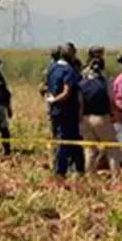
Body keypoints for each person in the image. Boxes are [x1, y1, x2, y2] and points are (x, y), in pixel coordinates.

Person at [78, 46, 122, 179]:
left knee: (89, 150)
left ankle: (90, 177)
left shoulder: (82, 82)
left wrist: (80, 120)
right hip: (101, 118)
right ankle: (116, 177)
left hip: (85, 118)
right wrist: (116, 115)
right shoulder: (104, 82)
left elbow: (80, 103)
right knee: (112, 149)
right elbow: (111, 100)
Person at [46, 43, 85, 177]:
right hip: (68, 111)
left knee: (69, 140)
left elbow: (47, 87)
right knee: (66, 140)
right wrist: (56, 99)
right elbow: (67, 92)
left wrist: (51, 100)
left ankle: (79, 168)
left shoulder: (52, 68)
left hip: (55, 111)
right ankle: (61, 171)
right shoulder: (69, 71)